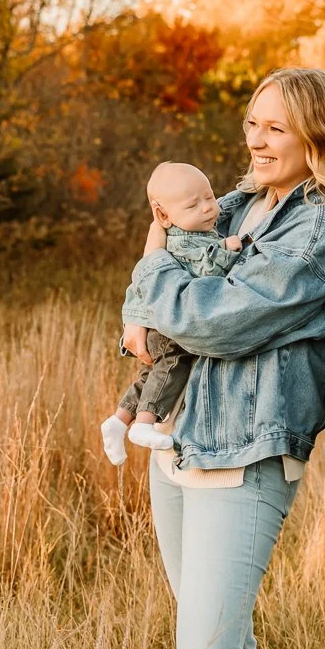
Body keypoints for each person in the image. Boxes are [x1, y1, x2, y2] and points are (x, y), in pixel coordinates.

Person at [122, 68, 325, 649]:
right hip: (187, 440)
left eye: (275, 129)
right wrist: (160, 286)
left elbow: (215, 322)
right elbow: (169, 299)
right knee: (225, 648)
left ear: (318, 136)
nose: (255, 142)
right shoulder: (236, 205)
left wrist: (152, 276)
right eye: (251, 125)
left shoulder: (323, 226)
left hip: (249, 449)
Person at [102, 161, 243, 464]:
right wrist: (227, 250)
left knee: (151, 374)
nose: (207, 208)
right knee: (171, 366)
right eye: (194, 205)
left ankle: (118, 419)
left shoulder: (189, 230)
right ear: (164, 216)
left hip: (156, 325)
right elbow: (207, 268)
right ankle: (143, 424)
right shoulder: (184, 241)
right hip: (167, 328)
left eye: (209, 197)